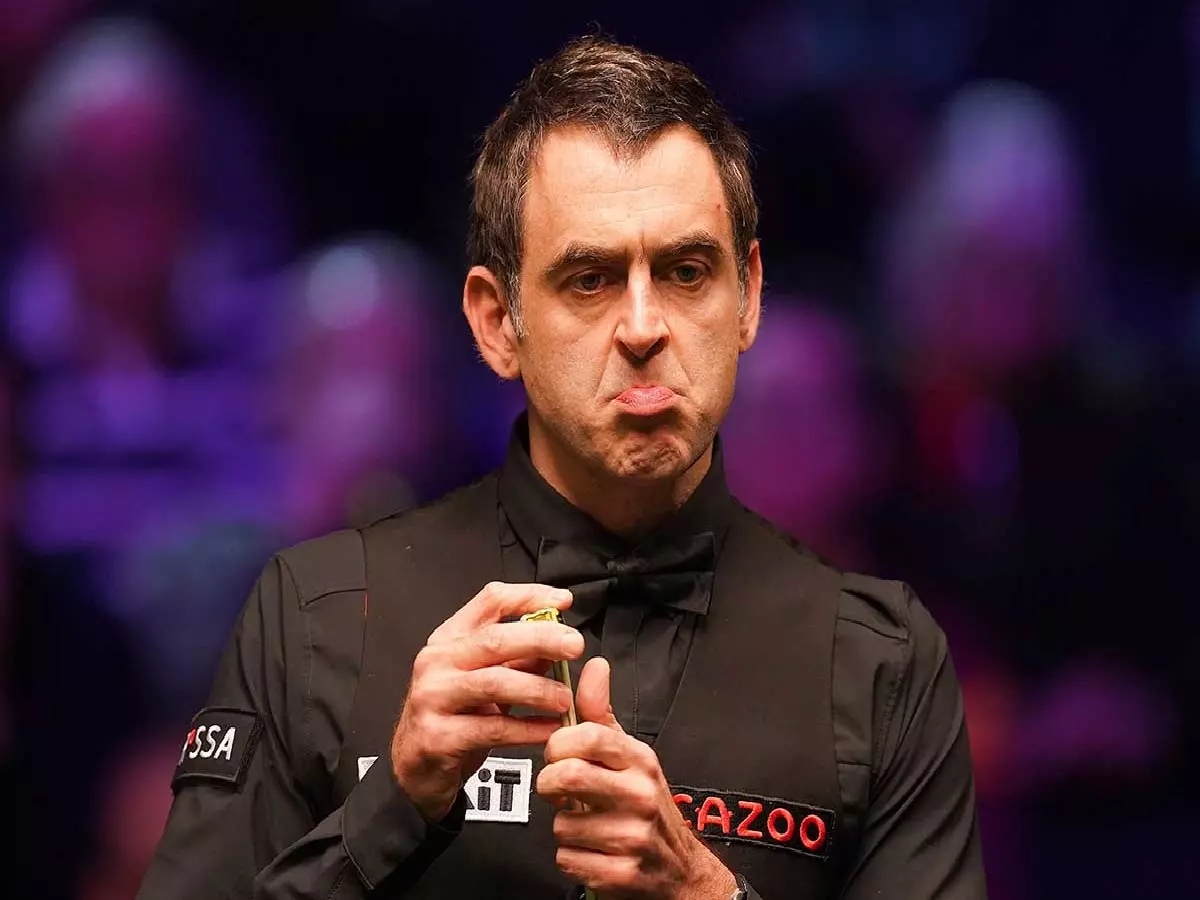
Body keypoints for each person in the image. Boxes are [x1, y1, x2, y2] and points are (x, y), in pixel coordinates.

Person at [138, 36, 986, 899]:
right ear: (496, 322)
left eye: (687, 272)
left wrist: (705, 893)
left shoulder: (879, 661)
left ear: (748, 299)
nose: (644, 328)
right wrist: (394, 803)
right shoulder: (317, 615)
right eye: (589, 280)